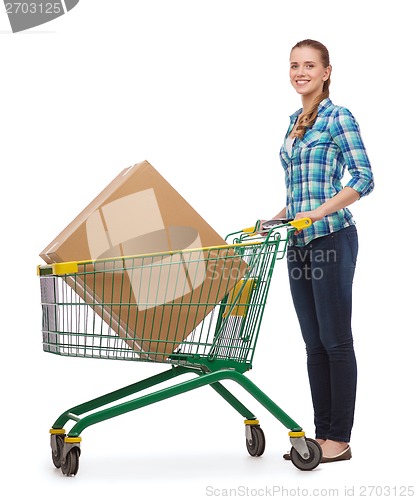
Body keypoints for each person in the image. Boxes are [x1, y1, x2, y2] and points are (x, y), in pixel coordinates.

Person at [263, 39, 374, 463]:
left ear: (326, 72)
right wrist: (275, 220)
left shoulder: (338, 117)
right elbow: (299, 194)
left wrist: (319, 213)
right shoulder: (294, 123)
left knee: (336, 341)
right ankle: (321, 432)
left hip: (332, 238)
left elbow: (363, 178)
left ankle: (338, 439)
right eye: (294, 65)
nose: (300, 72)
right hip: (297, 242)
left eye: (309, 65)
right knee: (313, 344)